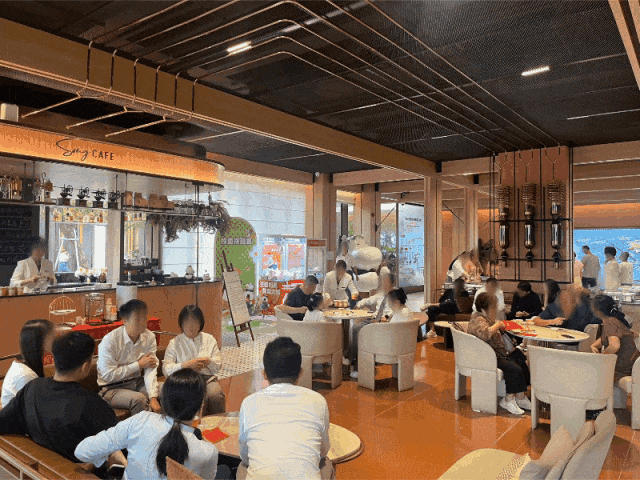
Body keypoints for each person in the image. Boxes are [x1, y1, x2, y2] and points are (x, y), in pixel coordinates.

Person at [76, 369, 220, 480]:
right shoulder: (207, 451)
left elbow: (82, 451)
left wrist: (115, 456)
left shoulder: (141, 420)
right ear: (200, 405)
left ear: (163, 400)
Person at [0, 332, 118, 463]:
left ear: (54, 360)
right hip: (80, 470)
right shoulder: (92, 405)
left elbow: (3, 421)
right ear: (85, 366)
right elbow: (119, 451)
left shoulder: (32, 388)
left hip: (42, 466)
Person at [237, 337, 333, 480]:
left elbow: (245, 454)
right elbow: (323, 451)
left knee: (243, 466)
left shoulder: (248, 403)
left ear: (264, 374)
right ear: (300, 373)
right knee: (326, 463)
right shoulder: (318, 400)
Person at [468, 293, 531, 416]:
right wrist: (497, 325)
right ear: (485, 308)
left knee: (521, 360)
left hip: (496, 353)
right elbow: (485, 334)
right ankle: (508, 400)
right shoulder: (477, 319)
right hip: (488, 356)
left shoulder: (487, 318)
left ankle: (520, 396)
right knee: (514, 368)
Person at [97, 299, 161, 416]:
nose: (143, 322)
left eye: (144, 318)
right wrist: (138, 365)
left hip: (137, 382)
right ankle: (147, 428)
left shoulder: (149, 337)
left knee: (168, 389)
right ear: (125, 320)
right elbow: (108, 375)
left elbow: (150, 368)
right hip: (112, 388)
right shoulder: (110, 340)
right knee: (139, 399)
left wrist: (153, 397)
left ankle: (173, 425)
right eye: (137, 319)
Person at [162, 305, 225, 416]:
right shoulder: (174, 343)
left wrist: (209, 361)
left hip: (207, 380)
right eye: (187, 322)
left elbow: (218, 366)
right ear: (181, 324)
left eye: (195, 321)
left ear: (201, 323)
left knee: (216, 394)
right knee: (189, 397)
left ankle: (218, 423)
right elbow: (166, 369)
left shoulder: (209, 339)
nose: (191, 326)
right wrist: (185, 365)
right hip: (184, 380)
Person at [349, 272, 395, 378]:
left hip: (385, 323)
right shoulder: (380, 295)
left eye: (385, 282)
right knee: (355, 328)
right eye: (382, 282)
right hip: (374, 320)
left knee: (358, 330)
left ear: (392, 283)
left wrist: (386, 317)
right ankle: (352, 359)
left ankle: (354, 363)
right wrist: (358, 304)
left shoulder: (396, 295)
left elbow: (396, 309)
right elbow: (368, 300)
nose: (383, 284)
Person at [1, 319, 55, 407]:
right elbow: (38, 410)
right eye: (52, 337)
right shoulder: (25, 376)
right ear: (38, 342)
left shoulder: (25, 365)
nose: (56, 339)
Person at [590, 295, 639, 382]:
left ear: (596, 310)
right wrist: (594, 345)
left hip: (624, 370)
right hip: (632, 365)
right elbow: (609, 337)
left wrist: (601, 359)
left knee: (589, 375)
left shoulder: (610, 322)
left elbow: (614, 346)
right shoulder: (614, 319)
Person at [533, 285, 602, 332]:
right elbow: (536, 320)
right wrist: (552, 321)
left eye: (569, 300)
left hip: (579, 344)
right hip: (557, 342)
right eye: (563, 300)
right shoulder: (553, 308)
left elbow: (599, 322)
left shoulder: (585, 310)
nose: (566, 303)